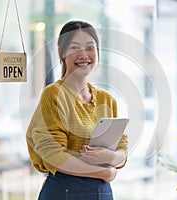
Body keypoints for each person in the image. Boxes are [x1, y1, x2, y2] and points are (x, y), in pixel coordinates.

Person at [26, 20, 128, 200]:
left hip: (102, 193)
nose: (83, 55)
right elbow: (54, 156)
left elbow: (122, 150)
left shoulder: (107, 100)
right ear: (62, 53)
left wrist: (111, 157)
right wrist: (104, 173)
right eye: (74, 48)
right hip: (64, 192)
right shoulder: (54, 94)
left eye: (90, 47)